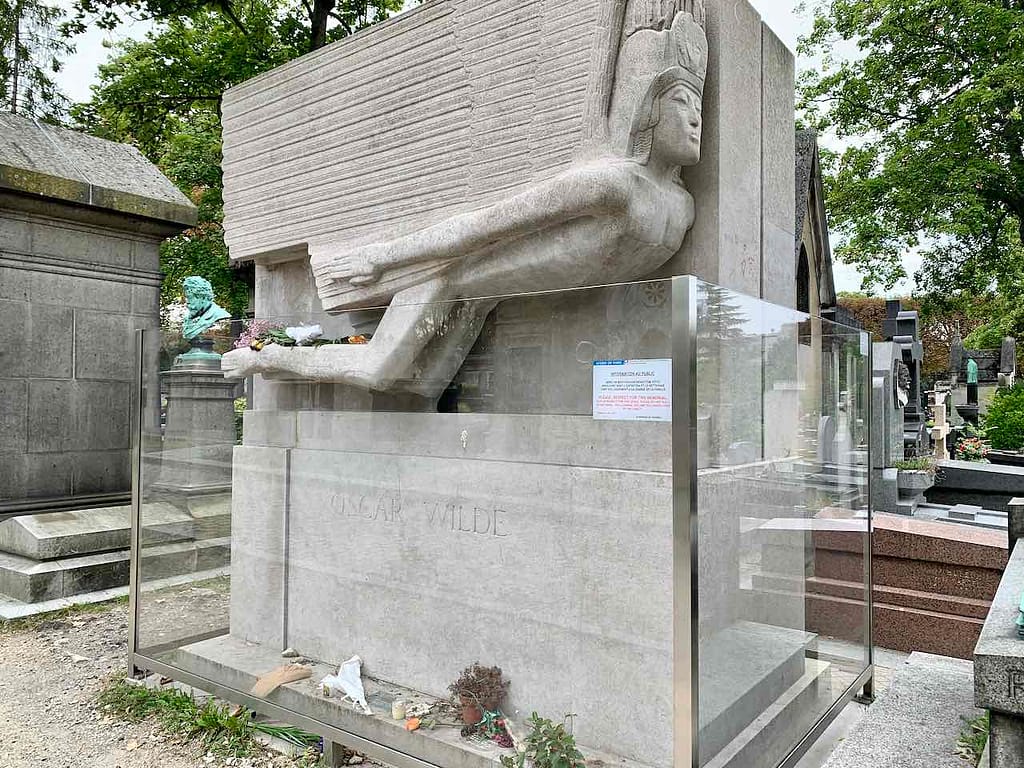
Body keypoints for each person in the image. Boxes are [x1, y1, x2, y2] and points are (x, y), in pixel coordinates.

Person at [222, 3, 707, 394]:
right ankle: (263, 356)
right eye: (680, 101)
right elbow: (484, 225)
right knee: (377, 372)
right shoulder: (613, 185)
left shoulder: (681, 210)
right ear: (646, 107)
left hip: (480, 300)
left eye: (698, 104)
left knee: (422, 386)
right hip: (445, 276)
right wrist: (380, 259)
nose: (694, 117)